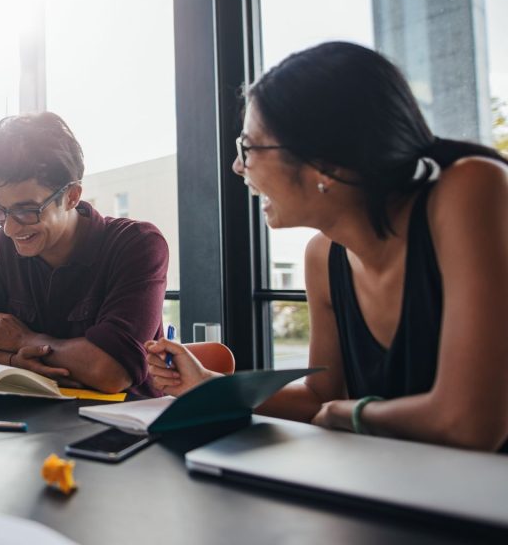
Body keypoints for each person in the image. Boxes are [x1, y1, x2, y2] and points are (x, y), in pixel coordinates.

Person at [146, 42, 508, 452]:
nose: (238, 167)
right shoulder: (323, 257)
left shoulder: (470, 190)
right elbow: (319, 398)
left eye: (248, 147)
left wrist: (350, 414)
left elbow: (471, 423)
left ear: (325, 164)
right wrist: (207, 385)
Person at [0, 112, 168, 396]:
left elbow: (110, 372)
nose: (9, 228)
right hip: (28, 421)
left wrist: (25, 340)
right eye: (0, 210)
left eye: (26, 210)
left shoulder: (137, 245)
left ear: (72, 196)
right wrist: (14, 361)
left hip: (123, 422)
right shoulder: (2, 247)